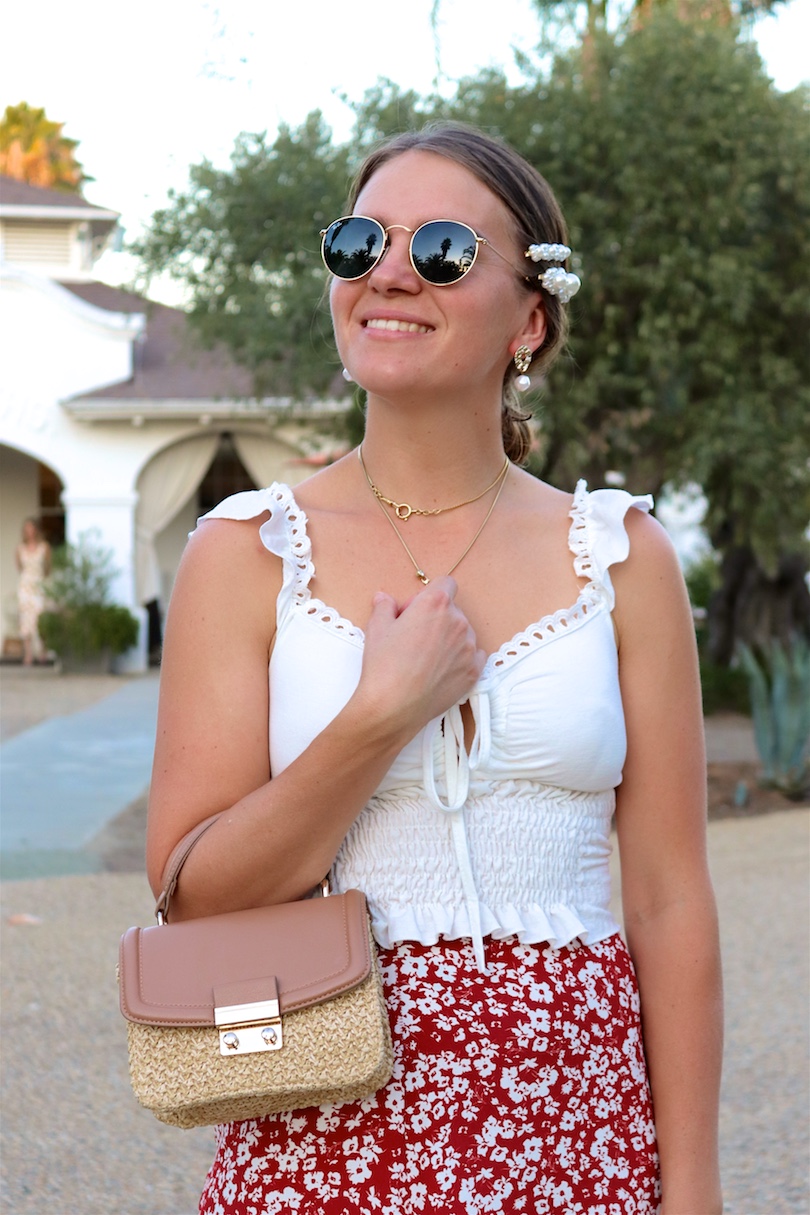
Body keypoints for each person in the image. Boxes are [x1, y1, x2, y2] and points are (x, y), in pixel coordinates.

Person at [147, 123, 723, 1214]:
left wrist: (689, 1188)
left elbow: (668, 900)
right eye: (360, 243)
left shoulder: (621, 556)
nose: (390, 272)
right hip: (325, 1130)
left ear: (531, 319)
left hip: (579, 1130)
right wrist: (379, 715)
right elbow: (195, 894)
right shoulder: (244, 553)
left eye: (446, 249)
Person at [15, 518, 51, 665]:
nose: (30, 531)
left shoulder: (44, 547)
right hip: (25, 587)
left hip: (39, 585)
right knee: (25, 619)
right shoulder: (19, 548)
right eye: (27, 529)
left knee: (40, 617)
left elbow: (48, 568)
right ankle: (28, 654)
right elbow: (19, 568)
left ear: (36, 530)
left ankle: (42, 652)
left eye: (32, 528)